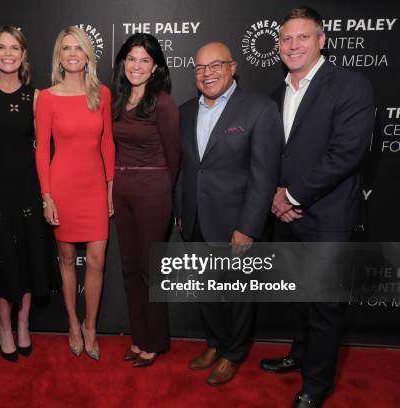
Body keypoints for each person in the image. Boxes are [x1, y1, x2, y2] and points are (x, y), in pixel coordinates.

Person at [259, 7, 375, 408]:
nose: (293, 46)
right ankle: (299, 353)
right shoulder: (277, 93)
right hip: (286, 216)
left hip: (328, 218)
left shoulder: (349, 86)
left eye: (302, 37)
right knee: (298, 295)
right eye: (286, 39)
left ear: (321, 40)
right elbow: (272, 154)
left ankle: (316, 385)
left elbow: (346, 154)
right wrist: (277, 193)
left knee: (324, 305)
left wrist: (290, 196)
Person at [175, 42, 283, 385]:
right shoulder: (186, 111)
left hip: (235, 222)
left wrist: (249, 226)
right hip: (195, 219)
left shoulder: (259, 109)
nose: (207, 73)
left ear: (233, 67)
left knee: (237, 295)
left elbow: (264, 175)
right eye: (200, 67)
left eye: (215, 65)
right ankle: (214, 344)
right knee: (205, 291)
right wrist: (181, 210)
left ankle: (233, 353)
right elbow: (186, 169)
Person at [0, 26, 55, 362]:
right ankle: (4, 326)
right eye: (1, 48)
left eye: (14, 48)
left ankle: (23, 323)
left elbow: (44, 148)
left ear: (23, 55)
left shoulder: (35, 96)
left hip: (27, 189)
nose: (7, 54)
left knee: (29, 256)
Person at [35, 26, 115, 361]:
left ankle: (91, 326)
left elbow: (107, 144)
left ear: (87, 56)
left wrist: (110, 189)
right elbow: (41, 151)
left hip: (94, 187)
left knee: (96, 261)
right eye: (65, 48)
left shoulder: (103, 94)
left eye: (78, 48)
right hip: (62, 187)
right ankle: (71, 324)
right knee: (67, 260)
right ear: (59, 56)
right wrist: (47, 196)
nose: (72, 54)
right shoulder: (47, 98)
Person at [111, 33, 179, 368]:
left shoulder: (162, 102)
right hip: (122, 189)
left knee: (149, 270)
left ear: (155, 68)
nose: (136, 66)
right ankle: (139, 337)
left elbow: (174, 156)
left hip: (153, 191)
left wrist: (164, 193)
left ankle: (155, 341)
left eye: (144, 60)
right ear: (123, 62)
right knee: (128, 268)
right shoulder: (117, 99)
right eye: (131, 59)